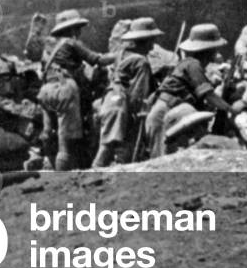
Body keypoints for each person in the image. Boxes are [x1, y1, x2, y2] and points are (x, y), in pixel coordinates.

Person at [33, 9, 113, 171]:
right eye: (77, 28)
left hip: (46, 91)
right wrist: (120, 55)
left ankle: (48, 167)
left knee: (48, 132)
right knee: (65, 141)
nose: (79, 32)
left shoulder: (48, 47)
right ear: (71, 29)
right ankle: (62, 179)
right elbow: (98, 60)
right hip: (64, 90)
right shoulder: (71, 43)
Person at [145, 23, 239, 158]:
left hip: (168, 111)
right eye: (215, 49)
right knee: (161, 158)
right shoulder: (193, 64)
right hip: (165, 113)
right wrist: (231, 109)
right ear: (208, 50)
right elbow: (209, 95)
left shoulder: (191, 65)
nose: (216, 53)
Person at [94, 17, 163, 167]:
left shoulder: (121, 53)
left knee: (110, 146)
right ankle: (91, 175)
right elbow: (138, 93)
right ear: (145, 40)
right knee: (107, 147)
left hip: (109, 100)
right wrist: (138, 112)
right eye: (151, 41)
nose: (152, 47)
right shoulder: (141, 61)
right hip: (120, 105)